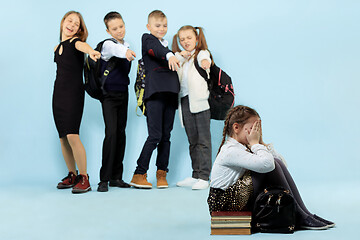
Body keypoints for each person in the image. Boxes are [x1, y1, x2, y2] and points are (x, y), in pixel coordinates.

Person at [208, 105, 335, 230]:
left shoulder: (243, 147)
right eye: (252, 129)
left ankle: (305, 213)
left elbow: (281, 164)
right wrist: (255, 144)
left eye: (257, 130)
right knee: (268, 165)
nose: (255, 133)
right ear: (236, 127)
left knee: (273, 162)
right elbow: (268, 166)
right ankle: (301, 215)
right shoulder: (230, 150)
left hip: (235, 196)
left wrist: (260, 143)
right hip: (224, 202)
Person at [129, 10, 180, 189]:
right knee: (155, 135)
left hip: (171, 94)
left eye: (165, 25)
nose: (162, 29)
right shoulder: (148, 40)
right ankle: (139, 173)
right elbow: (157, 50)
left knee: (166, 136)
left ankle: (161, 173)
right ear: (149, 27)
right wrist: (169, 55)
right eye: (158, 26)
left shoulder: (169, 47)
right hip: (155, 93)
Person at [53, 11, 101, 194]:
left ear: (79, 29)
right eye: (69, 20)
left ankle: (84, 178)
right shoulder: (57, 48)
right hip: (58, 94)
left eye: (76, 23)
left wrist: (92, 52)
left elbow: (84, 47)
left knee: (72, 135)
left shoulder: (76, 43)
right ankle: (72, 175)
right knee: (63, 137)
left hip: (73, 94)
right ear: (63, 21)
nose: (71, 24)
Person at [96, 11, 136, 192]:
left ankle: (116, 177)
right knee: (111, 133)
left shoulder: (126, 44)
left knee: (121, 133)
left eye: (121, 26)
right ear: (108, 30)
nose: (119, 31)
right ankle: (103, 179)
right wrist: (126, 51)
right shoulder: (108, 45)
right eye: (114, 28)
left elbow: (124, 50)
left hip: (123, 93)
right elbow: (117, 51)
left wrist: (127, 49)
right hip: (109, 96)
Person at [171, 26, 212, 190]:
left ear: (196, 38)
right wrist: (179, 56)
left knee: (203, 141)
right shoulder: (183, 58)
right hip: (185, 102)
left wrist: (205, 62)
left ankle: (204, 177)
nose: (185, 42)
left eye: (189, 38)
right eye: (182, 39)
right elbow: (175, 63)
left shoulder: (201, 53)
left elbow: (205, 58)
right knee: (193, 141)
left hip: (200, 102)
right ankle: (195, 174)